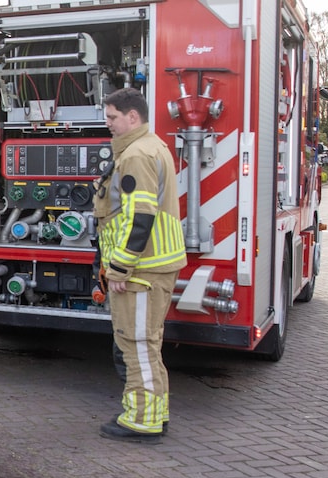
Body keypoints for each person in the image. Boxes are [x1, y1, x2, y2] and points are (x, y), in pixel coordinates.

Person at [92, 87, 188, 443]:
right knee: (148, 343)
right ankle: (154, 412)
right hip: (153, 267)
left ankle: (142, 420)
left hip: (141, 271)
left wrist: (119, 267)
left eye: (113, 117)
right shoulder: (154, 146)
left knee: (135, 343)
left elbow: (139, 217)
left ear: (133, 117)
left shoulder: (135, 156)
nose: (108, 125)